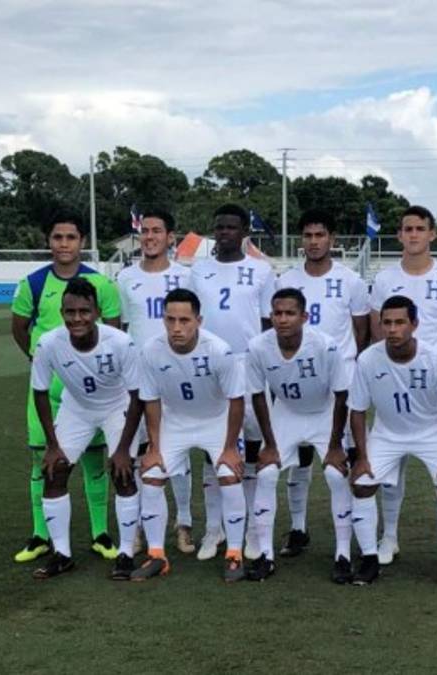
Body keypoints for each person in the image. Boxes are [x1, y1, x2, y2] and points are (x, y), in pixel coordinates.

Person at [11, 209, 120, 563]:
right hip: (48, 393)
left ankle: (100, 533)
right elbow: (19, 327)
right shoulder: (34, 283)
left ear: (82, 242)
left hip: (91, 392)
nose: (64, 244)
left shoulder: (101, 284)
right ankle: (41, 535)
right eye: (57, 237)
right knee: (42, 460)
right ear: (49, 241)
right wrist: (40, 361)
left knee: (93, 460)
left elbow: (114, 333)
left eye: (71, 237)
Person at [369, 205, 437, 566]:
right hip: (393, 382)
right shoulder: (383, 279)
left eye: (419, 228)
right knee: (390, 470)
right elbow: (378, 332)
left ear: (432, 234)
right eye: (407, 228)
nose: (413, 234)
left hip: (435, 386)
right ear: (399, 235)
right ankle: (389, 537)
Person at [349, 295, 437, 588]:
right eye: (386, 322)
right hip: (388, 433)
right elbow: (358, 411)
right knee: (362, 485)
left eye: (400, 322)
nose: (392, 329)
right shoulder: (367, 359)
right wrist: (361, 457)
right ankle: (369, 560)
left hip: (431, 432)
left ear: (414, 324)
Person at [30, 278, 143, 580]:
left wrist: (121, 450)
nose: (76, 318)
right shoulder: (49, 343)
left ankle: (126, 554)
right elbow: (39, 392)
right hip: (76, 409)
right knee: (54, 471)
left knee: (123, 473)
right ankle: (62, 554)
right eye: (70, 312)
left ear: (95, 312)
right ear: (62, 312)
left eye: (84, 311)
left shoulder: (120, 342)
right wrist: (52, 446)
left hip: (117, 407)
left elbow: (137, 397)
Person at [275, 208, 370, 557]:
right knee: (297, 461)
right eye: (308, 236)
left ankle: (349, 540)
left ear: (332, 238)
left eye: (320, 235)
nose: (313, 242)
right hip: (296, 386)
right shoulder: (286, 280)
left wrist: (348, 374)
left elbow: (362, 334)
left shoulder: (351, 281)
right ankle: (298, 528)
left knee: (338, 463)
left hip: (337, 387)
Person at [137, 289, 247, 582]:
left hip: (216, 421)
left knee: (228, 473)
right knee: (151, 475)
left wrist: (230, 448)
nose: (176, 327)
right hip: (176, 422)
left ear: (198, 320)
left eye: (184, 320)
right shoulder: (150, 350)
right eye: (170, 319)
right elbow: (150, 400)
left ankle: (234, 553)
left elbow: (237, 400)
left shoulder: (219, 350)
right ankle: (157, 555)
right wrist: (154, 447)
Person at [245, 288, 354, 583]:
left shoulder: (326, 346)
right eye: (277, 313)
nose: (283, 319)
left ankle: (343, 554)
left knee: (334, 474)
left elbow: (342, 395)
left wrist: (334, 446)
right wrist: (268, 444)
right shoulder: (257, 347)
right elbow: (257, 396)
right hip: (287, 413)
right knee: (266, 474)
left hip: (324, 412)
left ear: (304, 316)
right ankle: (265, 555)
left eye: (290, 313)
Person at [190, 204, 276, 561]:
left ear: (244, 232)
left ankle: (254, 531)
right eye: (219, 226)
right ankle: (215, 528)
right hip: (210, 365)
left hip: (249, 363)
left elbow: (269, 322)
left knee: (254, 449)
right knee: (214, 449)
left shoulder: (261, 270)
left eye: (232, 227)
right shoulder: (198, 270)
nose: (224, 232)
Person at [116, 208, 194, 555]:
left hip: (174, 375)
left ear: (170, 237)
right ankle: (134, 530)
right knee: (135, 453)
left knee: (175, 453)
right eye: (145, 231)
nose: (149, 236)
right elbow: (118, 329)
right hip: (134, 377)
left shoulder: (185, 277)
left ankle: (184, 523)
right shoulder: (124, 277)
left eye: (157, 231)